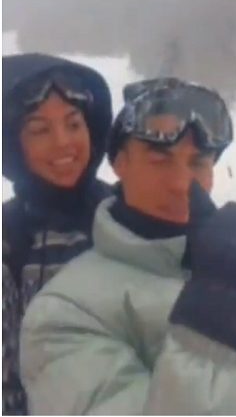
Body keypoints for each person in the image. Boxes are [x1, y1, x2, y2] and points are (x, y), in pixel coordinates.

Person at [19, 78, 236, 414]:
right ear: (119, 163)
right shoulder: (64, 314)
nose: (180, 183)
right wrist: (216, 330)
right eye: (159, 160)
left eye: (198, 162)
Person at [2, 53, 113, 415]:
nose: (63, 142)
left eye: (73, 123)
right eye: (40, 130)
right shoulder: (9, 240)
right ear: (12, 145)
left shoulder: (129, 217)